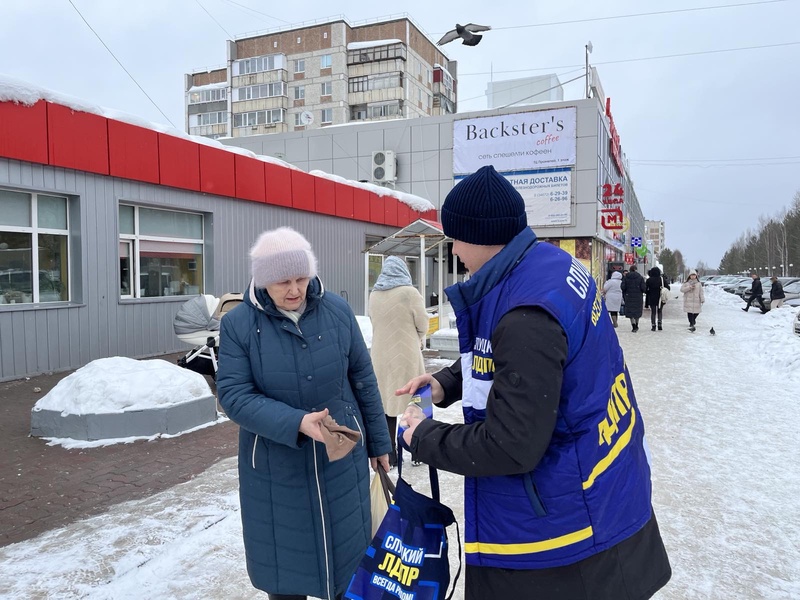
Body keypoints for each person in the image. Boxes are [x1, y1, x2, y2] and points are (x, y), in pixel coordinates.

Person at [396, 166, 671, 600]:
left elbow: (512, 444)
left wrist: (424, 437)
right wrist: (446, 383)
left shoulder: (526, 312)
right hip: (602, 501)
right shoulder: (543, 267)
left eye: (455, 237)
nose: (453, 248)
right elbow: (515, 362)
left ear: (480, 236)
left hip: (565, 540)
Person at [216, 226, 392, 600]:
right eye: (283, 282)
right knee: (286, 572)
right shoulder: (238, 325)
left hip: (342, 463)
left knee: (348, 571)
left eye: (301, 278)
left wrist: (379, 442)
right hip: (275, 470)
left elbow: (362, 378)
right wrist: (296, 423)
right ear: (263, 281)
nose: (295, 290)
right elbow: (234, 395)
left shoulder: (338, 312)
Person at [368, 256, 429, 467]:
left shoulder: (374, 294)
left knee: (386, 404)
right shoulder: (409, 293)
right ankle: (416, 451)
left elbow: (373, 321)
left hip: (380, 356)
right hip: (406, 356)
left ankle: (390, 455)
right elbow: (423, 324)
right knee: (416, 401)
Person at [621, 264, 646, 332]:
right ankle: (637, 324)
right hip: (638, 297)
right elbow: (643, 288)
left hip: (629, 297)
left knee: (631, 311)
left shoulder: (626, 277)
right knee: (637, 311)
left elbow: (623, 287)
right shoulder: (640, 277)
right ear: (636, 270)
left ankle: (633, 325)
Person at [644, 266, 670, 331]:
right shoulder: (662, 279)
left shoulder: (649, 280)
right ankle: (660, 324)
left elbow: (645, 289)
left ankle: (653, 325)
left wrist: (649, 292)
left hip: (652, 297)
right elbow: (668, 288)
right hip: (660, 297)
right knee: (660, 311)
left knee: (653, 312)